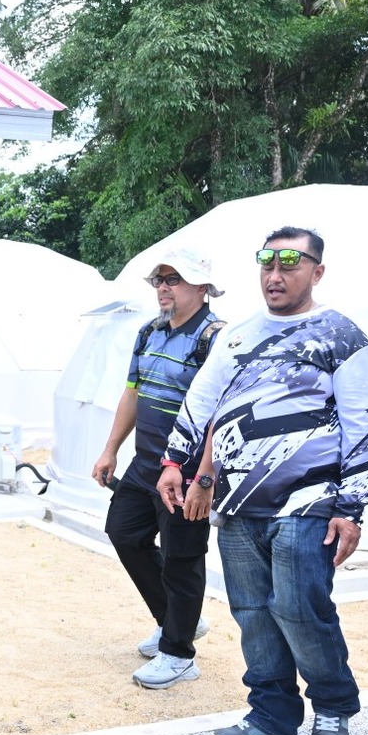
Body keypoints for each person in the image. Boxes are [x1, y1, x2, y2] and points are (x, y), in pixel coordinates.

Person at [157, 227, 368, 735]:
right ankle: (272, 715)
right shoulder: (237, 335)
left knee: (301, 609)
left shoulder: (342, 336)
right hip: (237, 503)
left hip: (308, 502)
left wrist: (351, 508)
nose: (275, 276)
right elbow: (201, 400)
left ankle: (333, 706)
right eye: (267, 264)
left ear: (317, 272)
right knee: (253, 612)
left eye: (290, 264)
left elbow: (362, 425)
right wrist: (174, 462)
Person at [90, 247, 225, 689]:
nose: (164, 288)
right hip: (145, 463)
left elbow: (220, 414)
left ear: (202, 287)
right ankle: (177, 621)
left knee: (182, 559)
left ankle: (179, 654)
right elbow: (133, 392)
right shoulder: (149, 332)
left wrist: (204, 476)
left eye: (174, 279)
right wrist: (111, 450)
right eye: (159, 280)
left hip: (187, 470)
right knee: (124, 533)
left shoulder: (216, 339)